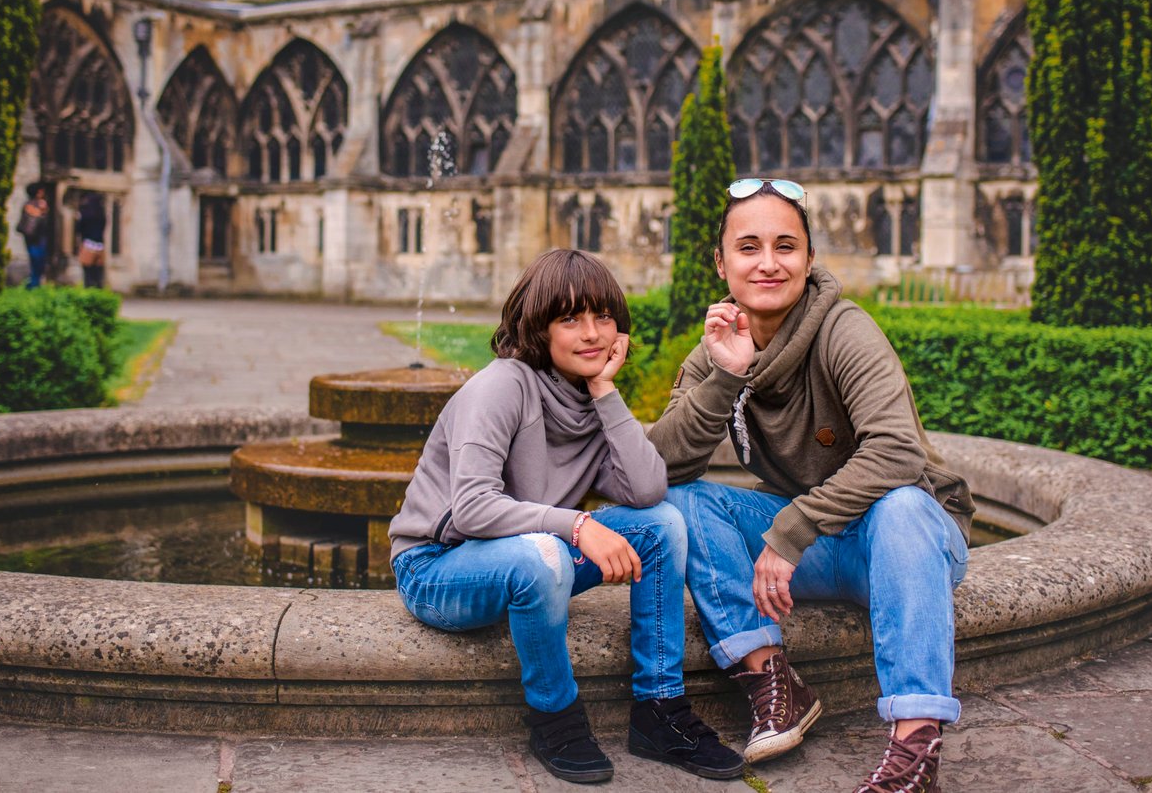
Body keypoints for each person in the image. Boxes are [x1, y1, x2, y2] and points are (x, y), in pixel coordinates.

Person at [647, 179, 974, 793]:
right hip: (831, 546)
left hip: (907, 538)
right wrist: (725, 378)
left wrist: (791, 530)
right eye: (749, 247)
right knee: (680, 504)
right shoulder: (718, 346)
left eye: (785, 246)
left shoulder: (844, 330)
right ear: (721, 263)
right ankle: (775, 684)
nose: (768, 263)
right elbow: (657, 470)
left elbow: (897, 452)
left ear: (809, 259)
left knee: (901, 505)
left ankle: (915, 749)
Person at [389, 248, 746, 785]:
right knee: (546, 552)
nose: (591, 333)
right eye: (570, 318)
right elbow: (473, 506)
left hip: (533, 558)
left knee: (665, 524)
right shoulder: (500, 386)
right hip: (436, 569)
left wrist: (606, 391)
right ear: (538, 327)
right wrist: (579, 525)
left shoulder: (590, 398)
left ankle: (659, 710)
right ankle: (555, 716)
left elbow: (649, 490)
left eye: (603, 316)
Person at [16, 184, 50, 288]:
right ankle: (33, 285)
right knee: (36, 261)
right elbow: (36, 216)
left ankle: (35, 283)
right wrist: (42, 210)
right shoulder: (30, 205)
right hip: (33, 238)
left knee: (40, 262)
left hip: (38, 237)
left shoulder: (36, 204)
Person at [75, 193, 107, 289]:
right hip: (100, 245)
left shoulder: (85, 213)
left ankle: (88, 287)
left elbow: (79, 229)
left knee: (87, 270)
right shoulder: (101, 214)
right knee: (98, 270)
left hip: (88, 244)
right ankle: (98, 287)